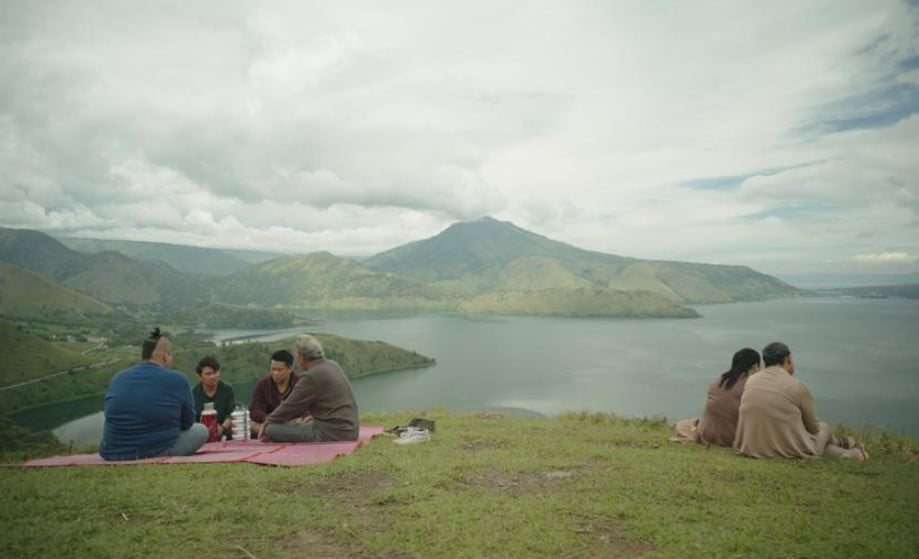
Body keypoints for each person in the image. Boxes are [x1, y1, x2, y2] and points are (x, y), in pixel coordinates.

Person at [734, 342, 867, 461]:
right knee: (824, 428)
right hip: (786, 449)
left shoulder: (751, 381)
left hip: (752, 446)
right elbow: (813, 428)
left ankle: (849, 452)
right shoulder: (797, 386)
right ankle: (845, 447)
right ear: (788, 360)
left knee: (811, 441)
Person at [99, 327, 207, 460]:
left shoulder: (118, 377)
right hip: (156, 449)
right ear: (166, 356)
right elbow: (188, 422)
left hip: (113, 452)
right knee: (201, 430)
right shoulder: (178, 379)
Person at [258, 334, 359, 443]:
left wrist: (268, 422)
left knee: (271, 429)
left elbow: (290, 406)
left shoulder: (311, 376)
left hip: (330, 434)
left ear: (301, 357)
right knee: (292, 424)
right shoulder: (333, 365)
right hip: (350, 430)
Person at [696, 348, 761, 446]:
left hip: (707, 434)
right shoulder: (751, 384)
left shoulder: (721, 379)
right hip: (731, 438)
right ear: (755, 366)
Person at [248, 349, 300, 438]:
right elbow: (254, 408)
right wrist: (268, 418)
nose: (275, 373)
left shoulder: (300, 384)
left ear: (290, 369)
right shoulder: (263, 384)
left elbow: (307, 410)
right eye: (273, 369)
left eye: (279, 370)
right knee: (251, 424)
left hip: (292, 424)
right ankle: (269, 433)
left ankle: (271, 434)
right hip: (267, 423)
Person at [192, 356, 236, 440]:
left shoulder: (227, 390)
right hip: (202, 434)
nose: (213, 376)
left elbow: (230, 414)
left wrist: (222, 428)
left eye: (215, 372)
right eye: (208, 374)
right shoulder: (194, 394)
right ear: (200, 376)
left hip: (224, 432)